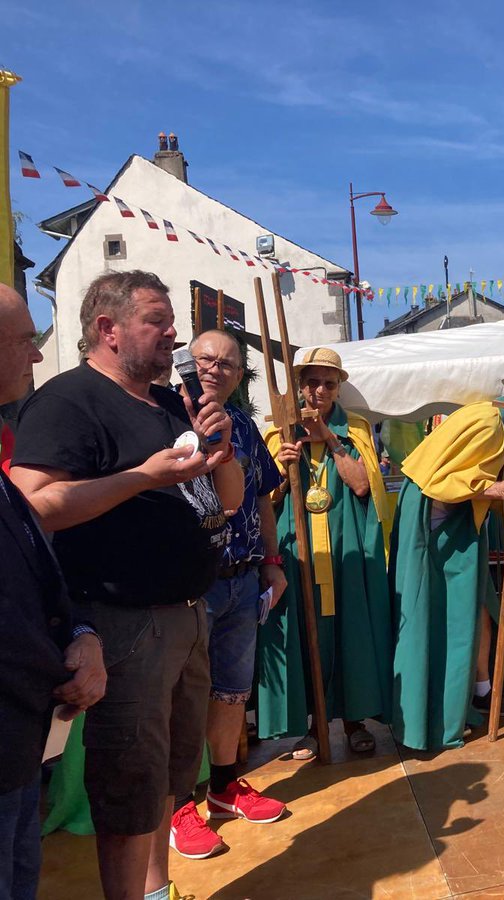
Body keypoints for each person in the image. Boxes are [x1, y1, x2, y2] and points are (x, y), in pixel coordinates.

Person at [11, 270, 241, 900]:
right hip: (123, 621)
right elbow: (34, 506)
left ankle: (158, 890)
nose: (174, 334)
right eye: (157, 321)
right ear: (108, 329)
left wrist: (221, 455)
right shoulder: (67, 402)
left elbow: (227, 500)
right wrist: (142, 476)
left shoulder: (168, 404)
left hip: (190, 612)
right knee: (128, 781)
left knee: (170, 772)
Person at [0, 284, 106, 900]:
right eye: (23, 341)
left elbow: (34, 564)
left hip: (20, 739)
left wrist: (80, 634)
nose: (36, 356)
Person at [168, 331, 288, 860]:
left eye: (228, 365)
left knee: (232, 692)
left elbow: (260, 495)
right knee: (181, 698)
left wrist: (273, 561)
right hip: (189, 584)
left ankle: (223, 787)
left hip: (242, 577)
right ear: (187, 365)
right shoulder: (164, 414)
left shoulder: (240, 424)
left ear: (240, 377)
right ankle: (176, 806)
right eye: (205, 360)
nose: (215, 370)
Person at [390, 375, 504, 751]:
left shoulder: (491, 419)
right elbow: (439, 484)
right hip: (439, 521)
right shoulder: (491, 426)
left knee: (476, 607)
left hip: (451, 517)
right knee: (446, 616)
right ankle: (437, 716)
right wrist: (496, 489)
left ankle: (478, 691)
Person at [259, 347, 394, 760]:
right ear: (300, 386)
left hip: (345, 550)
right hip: (296, 549)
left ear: (338, 389)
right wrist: (282, 469)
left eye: (329, 384)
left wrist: (331, 440)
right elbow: (266, 499)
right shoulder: (277, 430)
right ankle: (315, 727)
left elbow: (361, 486)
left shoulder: (354, 429)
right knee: (305, 631)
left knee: (349, 630)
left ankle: (354, 720)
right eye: (312, 382)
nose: (320, 391)